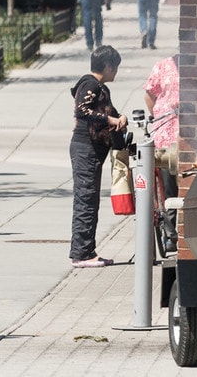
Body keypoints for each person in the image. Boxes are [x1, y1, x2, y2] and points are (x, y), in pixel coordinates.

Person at [69, 45, 127, 268]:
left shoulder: (99, 87)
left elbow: (106, 111)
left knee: (90, 200)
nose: (116, 72)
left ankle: (87, 250)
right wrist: (111, 120)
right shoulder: (90, 84)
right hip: (85, 149)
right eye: (116, 68)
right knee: (86, 200)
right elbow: (82, 110)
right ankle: (81, 254)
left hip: (92, 150)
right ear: (108, 66)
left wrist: (119, 117)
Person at [144, 54, 179, 240]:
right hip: (173, 134)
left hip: (165, 131)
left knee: (168, 187)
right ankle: (172, 230)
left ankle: (170, 231)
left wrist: (159, 114)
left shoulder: (162, 65)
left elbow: (149, 95)